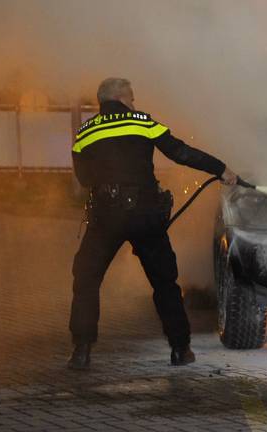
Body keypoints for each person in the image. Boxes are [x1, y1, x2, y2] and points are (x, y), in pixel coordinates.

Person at [67, 77, 238, 369]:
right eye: (132, 98)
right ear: (121, 98)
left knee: (86, 280)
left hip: (106, 217)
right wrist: (220, 169)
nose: (134, 103)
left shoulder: (86, 131)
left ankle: (81, 351)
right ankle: (180, 349)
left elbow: (84, 179)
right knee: (164, 283)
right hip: (145, 216)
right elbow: (180, 152)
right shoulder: (142, 122)